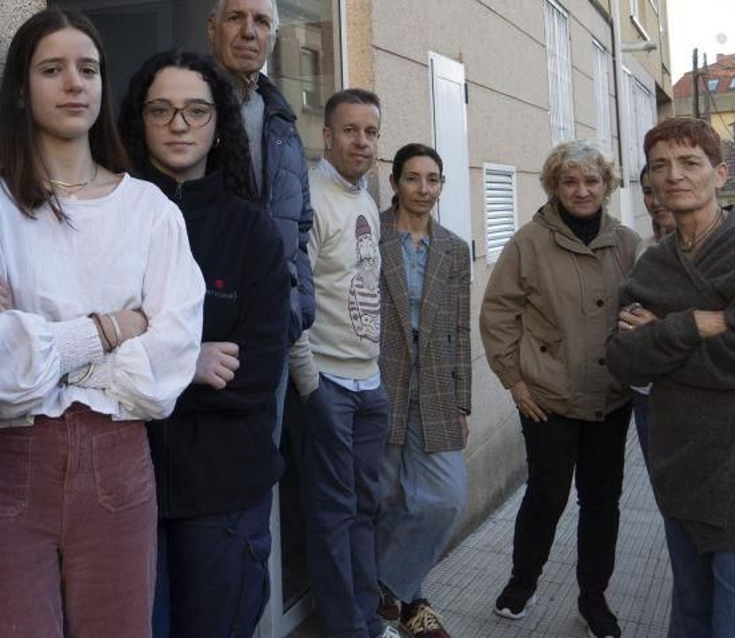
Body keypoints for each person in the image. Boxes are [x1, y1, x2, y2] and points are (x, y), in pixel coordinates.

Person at [0, 8, 205, 637]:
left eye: (87, 69)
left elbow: (169, 364)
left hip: (118, 465)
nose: (73, 84)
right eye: (52, 69)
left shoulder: (149, 209)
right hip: (2, 460)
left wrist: (40, 336)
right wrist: (115, 326)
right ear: (20, 87)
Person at [607, 118, 735, 638]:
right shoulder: (653, 268)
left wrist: (663, 342)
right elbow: (622, 360)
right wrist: (696, 323)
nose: (674, 176)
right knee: (695, 620)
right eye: (660, 167)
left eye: (689, 163)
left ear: (720, 174)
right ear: (649, 182)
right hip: (683, 470)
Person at [117, 50, 288, 638]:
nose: (179, 124)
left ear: (219, 126)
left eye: (195, 110)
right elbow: (74, 356)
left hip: (222, 498)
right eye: (160, 109)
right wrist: (187, 364)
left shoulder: (253, 232)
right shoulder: (109, 221)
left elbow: (256, 375)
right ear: (138, 122)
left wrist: (130, 362)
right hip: (123, 491)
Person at [479, 140, 639, 638]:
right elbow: (498, 314)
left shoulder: (629, 244)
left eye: (592, 180)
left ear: (607, 186)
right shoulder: (528, 242)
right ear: (554, 186)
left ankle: (594, 599)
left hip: (611, 398)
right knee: (547, 495)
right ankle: (522, 582)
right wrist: (515, 381)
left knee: (600, 502)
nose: (582, 190)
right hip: (547, 398)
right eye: (570, 181)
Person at [288, 88, 389, 638]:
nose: (362, 141)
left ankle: (368, 620)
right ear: (326, 135)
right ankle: (346, 628)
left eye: (371, 132)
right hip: (326, 382)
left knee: (366, 507)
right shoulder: (311, 196)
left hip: (368, 383)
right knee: (332, 515)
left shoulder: (365, 197)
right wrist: (309, 387)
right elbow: (294, 294)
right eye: (350, 131)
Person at [374, 144, 473, 638]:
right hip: (380, 382)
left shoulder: (455, 248)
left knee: (447, 498)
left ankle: (382, 588)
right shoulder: (371, 235)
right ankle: (412, 605)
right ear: (394, 183)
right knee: (387, 496)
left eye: (433, 179)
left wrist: (461, 402)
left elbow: (459, 327)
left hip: (434, 387)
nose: (424, 189)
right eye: (413, 179)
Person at [205, 0, 316, 343]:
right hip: (208, 326)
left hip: (274, 323)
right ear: (212, 28)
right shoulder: (186, 107)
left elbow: (299, 226)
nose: (249, 32)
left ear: (272, 35)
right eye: (236, 17)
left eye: (262, 22)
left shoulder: (282, 122)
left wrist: (300, 310)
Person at [631, 165, 678, 457]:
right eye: (649, 191)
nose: (657, 200)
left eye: (664, 190)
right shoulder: (643, 250)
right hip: (646, 393)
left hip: (695, 394)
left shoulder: (718, 250)